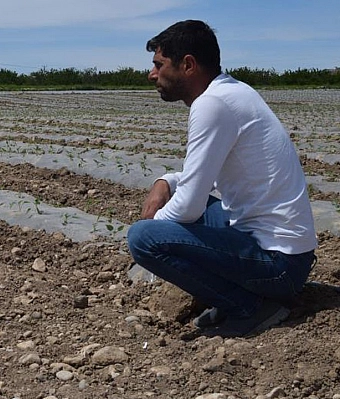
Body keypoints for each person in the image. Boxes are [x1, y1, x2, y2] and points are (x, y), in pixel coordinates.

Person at [126, 20, 317, 338]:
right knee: (181, 212)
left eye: (159, 65)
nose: (152, 74)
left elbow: (188, 206)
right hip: (289, 254)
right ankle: (236, 296)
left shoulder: (212, 104)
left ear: (188, 64)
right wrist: (166, 183)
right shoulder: (230, 92)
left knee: (143, 238)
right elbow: (198, 181)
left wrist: (154, 226)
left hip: (280, 265)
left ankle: (248, 307)